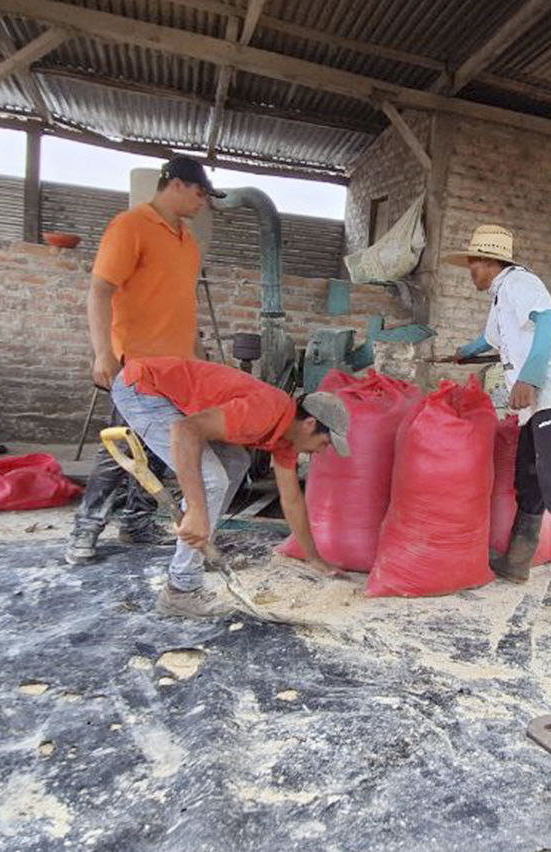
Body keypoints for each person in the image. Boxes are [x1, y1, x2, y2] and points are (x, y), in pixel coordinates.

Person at [66, 156, 225, 566]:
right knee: (122, 445)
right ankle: (86, 528)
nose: (203, 202)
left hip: (176, 368)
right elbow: (100, 291)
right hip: (135, 365)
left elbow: (183, 307)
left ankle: (136, 522)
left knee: (161, 447)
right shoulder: (130, 226)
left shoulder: (187, 241)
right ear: (176, 184)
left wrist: (200, 362)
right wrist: (103, 352)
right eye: (200, 192)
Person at [111, 355, 351, 618]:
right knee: (212, 478)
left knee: (236, 463)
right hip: (144, 388)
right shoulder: (265, 412)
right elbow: (185, 430)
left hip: (162, 390)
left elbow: (292, 500)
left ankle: (200, 550)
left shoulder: (286, 438)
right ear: (309, 424)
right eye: (325, 443)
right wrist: (197, 511)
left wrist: (314, 558)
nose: (322, 451)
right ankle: (181, 589)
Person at [445, 224, 551, 605]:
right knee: (530, 480)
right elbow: (491, 339)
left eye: (473, 264)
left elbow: (549, 323)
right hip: (535, 406)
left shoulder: (520, 283)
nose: (470, 272)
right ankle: (517, 562)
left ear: (489, 262)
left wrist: (529, 378)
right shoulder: (500, 296)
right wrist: (465, 351)